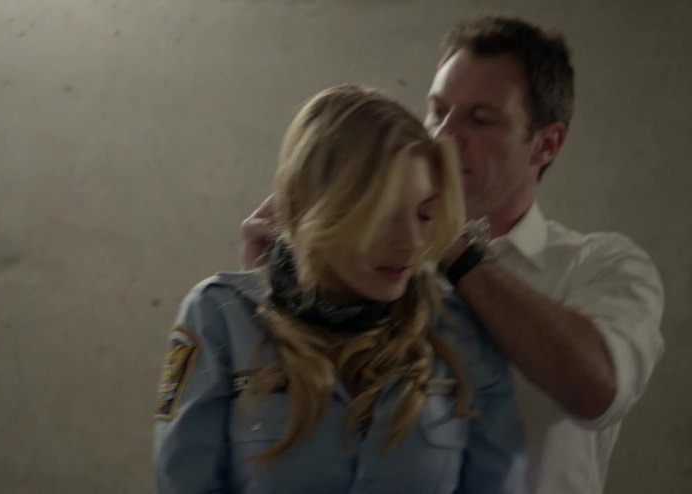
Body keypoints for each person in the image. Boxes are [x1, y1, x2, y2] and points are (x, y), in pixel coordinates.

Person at [240, 17, 664, 494]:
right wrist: (278, 286)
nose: (442, 136)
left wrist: (452, 248)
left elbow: (596, 390)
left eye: (480, 120)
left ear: (547, 143)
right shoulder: (374, 264)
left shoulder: (604, 265)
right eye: (437, 110)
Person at [154, 84, 526, 493]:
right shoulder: (222, 316)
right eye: (383, 215)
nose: (411, 242)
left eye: (424, 215)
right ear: (320, 208)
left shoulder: (459, 331)